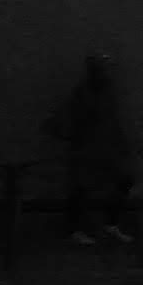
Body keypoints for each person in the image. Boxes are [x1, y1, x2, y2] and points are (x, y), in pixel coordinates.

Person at [46, 55, 132, 245]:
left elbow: (112, 119)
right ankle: (75, 229)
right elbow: (70, 119)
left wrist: (121, 142)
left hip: (105, 147)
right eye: (104, 68)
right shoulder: (83, 93)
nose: (108, 73)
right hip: (88, 149)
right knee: (81, 188)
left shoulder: (106, 92)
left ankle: (109, 224)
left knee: (123, 179)